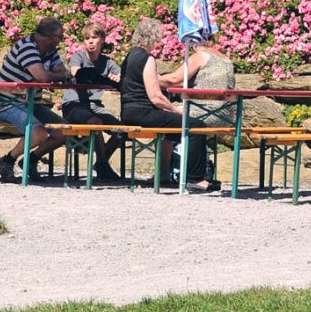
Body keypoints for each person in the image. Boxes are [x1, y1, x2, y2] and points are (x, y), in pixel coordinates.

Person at [118, 18, 216, 191]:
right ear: (154, 36)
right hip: (143, 113)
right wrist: (176, 110)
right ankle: (195, 178)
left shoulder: (130, 56)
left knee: (175, 131)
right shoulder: (146, 59)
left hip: (128, 111)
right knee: (196, 126)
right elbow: (155, 96)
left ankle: (166, 173)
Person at [0, 16, 71, 182]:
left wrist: (54, 75)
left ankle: (31, 161)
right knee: (38, 133)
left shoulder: (50, 51)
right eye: (60, 37)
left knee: (64, 130)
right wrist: (54, 76)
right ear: (51, 37)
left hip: (32, 103)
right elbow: (43, 77)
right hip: (7, 103)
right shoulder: (26, 48)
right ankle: (8, 160)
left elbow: (63, 73)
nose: (61, 41)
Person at [59, 24, 125, 184]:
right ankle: (103, 166)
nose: (90, 42)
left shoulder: (107, 62)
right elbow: (76, 72)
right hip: (74, 104)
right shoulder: (78, 57)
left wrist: (118, 77)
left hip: (95, 106)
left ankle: (101, 163)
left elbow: (121, 74)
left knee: (122, 131)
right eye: (87, 38)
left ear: (102, 40)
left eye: (94, 38)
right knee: (96, 123)